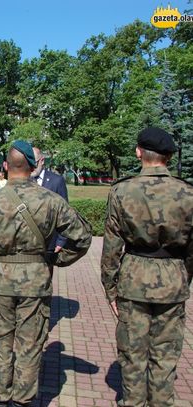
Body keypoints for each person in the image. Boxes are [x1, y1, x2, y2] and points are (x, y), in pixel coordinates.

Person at [0, 140, 92, 407]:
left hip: (0, 282)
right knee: (30, 346)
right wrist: (58, 259)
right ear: (34, 165)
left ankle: (0, 398)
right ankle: (23, 401)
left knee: (0, 344)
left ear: (5, 166)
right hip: (36, 281)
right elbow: (82, 237)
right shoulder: (50, 200)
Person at [101, 127, 193, 407]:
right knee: (165, 357)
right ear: (167, 156)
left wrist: (111, 289)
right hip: (172, 279)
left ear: (139, 152)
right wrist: (182, 277)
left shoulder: (122, 190)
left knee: (132, 355)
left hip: (133, 280)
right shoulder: (187, 192)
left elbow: (111, 248)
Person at [32, 147, 69, 265]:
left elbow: (64, 212)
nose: (31, 167)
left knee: (46, 279)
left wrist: (61, 240)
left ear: (42, 160)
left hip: (49, 243)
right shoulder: (24, 181)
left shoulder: (56, 181)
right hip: (27, 242)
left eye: (34, 163)